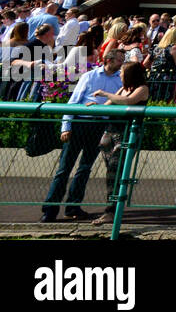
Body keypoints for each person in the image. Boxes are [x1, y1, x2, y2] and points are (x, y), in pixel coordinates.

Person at [41, 48, 126, 223]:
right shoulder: (90, 76)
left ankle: (73, 206)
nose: (121, 63)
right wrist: (66, 126)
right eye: (119, 60)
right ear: (109, 60)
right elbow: (73, 101)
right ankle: (50, 209)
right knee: (64, 168)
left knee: (85, 168)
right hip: (81, 123)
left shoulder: (119, 80)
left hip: (99, 126)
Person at [89, 61, 149, 225]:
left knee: (116, 173)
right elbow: (110, 105)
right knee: (111, 174)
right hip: (111, 134)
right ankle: (112, 209)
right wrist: (97, 106)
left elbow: (128, 101)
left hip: (126, 137)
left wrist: (105, 93)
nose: (120, 75)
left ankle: (112, 211)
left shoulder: (142, 89)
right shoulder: (122, 89)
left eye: (122, 72)